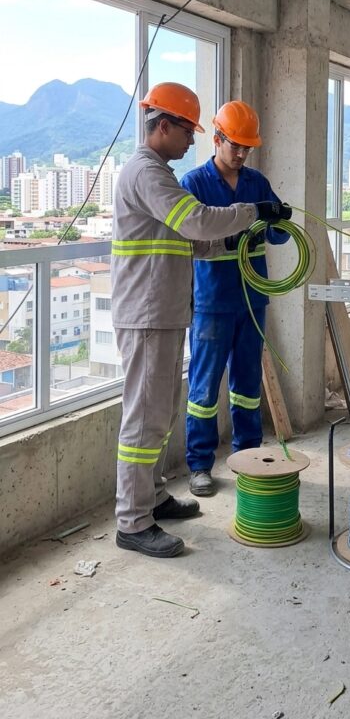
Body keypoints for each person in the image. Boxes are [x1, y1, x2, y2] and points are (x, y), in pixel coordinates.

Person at [111, 82, 291, 558]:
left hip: (165, 311)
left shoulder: (159, 173)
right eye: (188, 130)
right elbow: (196, 222)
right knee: (146, 420)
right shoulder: (148, 173)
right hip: (149, 313)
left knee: (161, 412)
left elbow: (190, 241)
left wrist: (231, 242)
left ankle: (150, 497)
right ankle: (132, 521)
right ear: (163, 125)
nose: (192, 139)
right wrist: (253, 212)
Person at [180, 100, 291, 496]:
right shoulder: (193, 184)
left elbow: (276, 236)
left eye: (248, 147)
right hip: (212, 302)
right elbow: (189, 242)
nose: (242, 154)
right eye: (235, 145)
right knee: (204, 389)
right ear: (217, 138)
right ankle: (199, 465)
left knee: (246, 384)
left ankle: (248, 456)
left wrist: (279, 219)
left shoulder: (256, 182)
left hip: (252, 299)